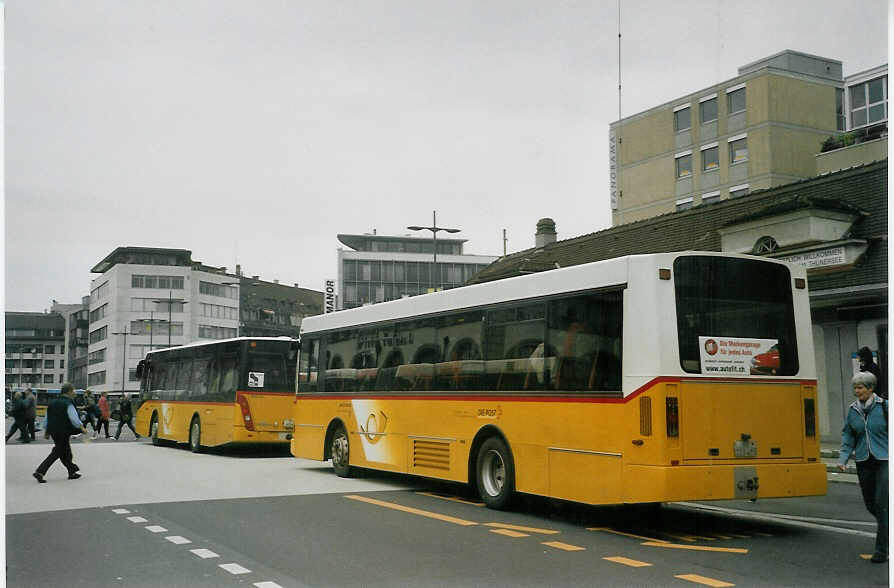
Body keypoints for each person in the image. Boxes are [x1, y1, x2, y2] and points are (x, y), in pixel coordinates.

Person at [838, 371, 888, 563]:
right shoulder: (853, 410)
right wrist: (843, 459)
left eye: (860, 388)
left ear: (870, 388)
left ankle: (881, 551)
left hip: (884, 459)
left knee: (882, 504)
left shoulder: (884, 407)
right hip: (863, 461)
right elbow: (848, 436)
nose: (856, 391)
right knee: (871, 504)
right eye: (855, 388)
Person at [33, 382, 87, 483]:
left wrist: (47, 431)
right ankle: (40, 471)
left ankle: (72, 471)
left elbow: (47, 418)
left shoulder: (52, 403)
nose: (74, 393)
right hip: (64, 431)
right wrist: (81, 427)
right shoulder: (68, 403)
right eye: (73, 391)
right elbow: (73, 418)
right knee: (58, 452)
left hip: (54, 431)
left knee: (65, 452)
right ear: (69, 391)